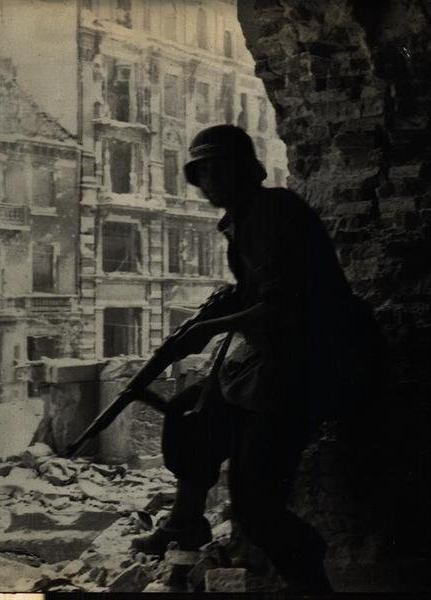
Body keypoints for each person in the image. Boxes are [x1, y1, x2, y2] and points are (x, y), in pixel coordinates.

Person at [132, 125, 388, 591]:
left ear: (244, 170)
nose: (209, 181)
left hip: (312, 363)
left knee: (255, 504)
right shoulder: (245, 217)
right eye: (202, 172)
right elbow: (261, 288)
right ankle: (185, 521)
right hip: (276, 357)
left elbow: (288, 303)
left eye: (218, 169)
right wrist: (218, 308)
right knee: (189, 412)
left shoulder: (272, 213)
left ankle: (310, 580)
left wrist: (209, 328)